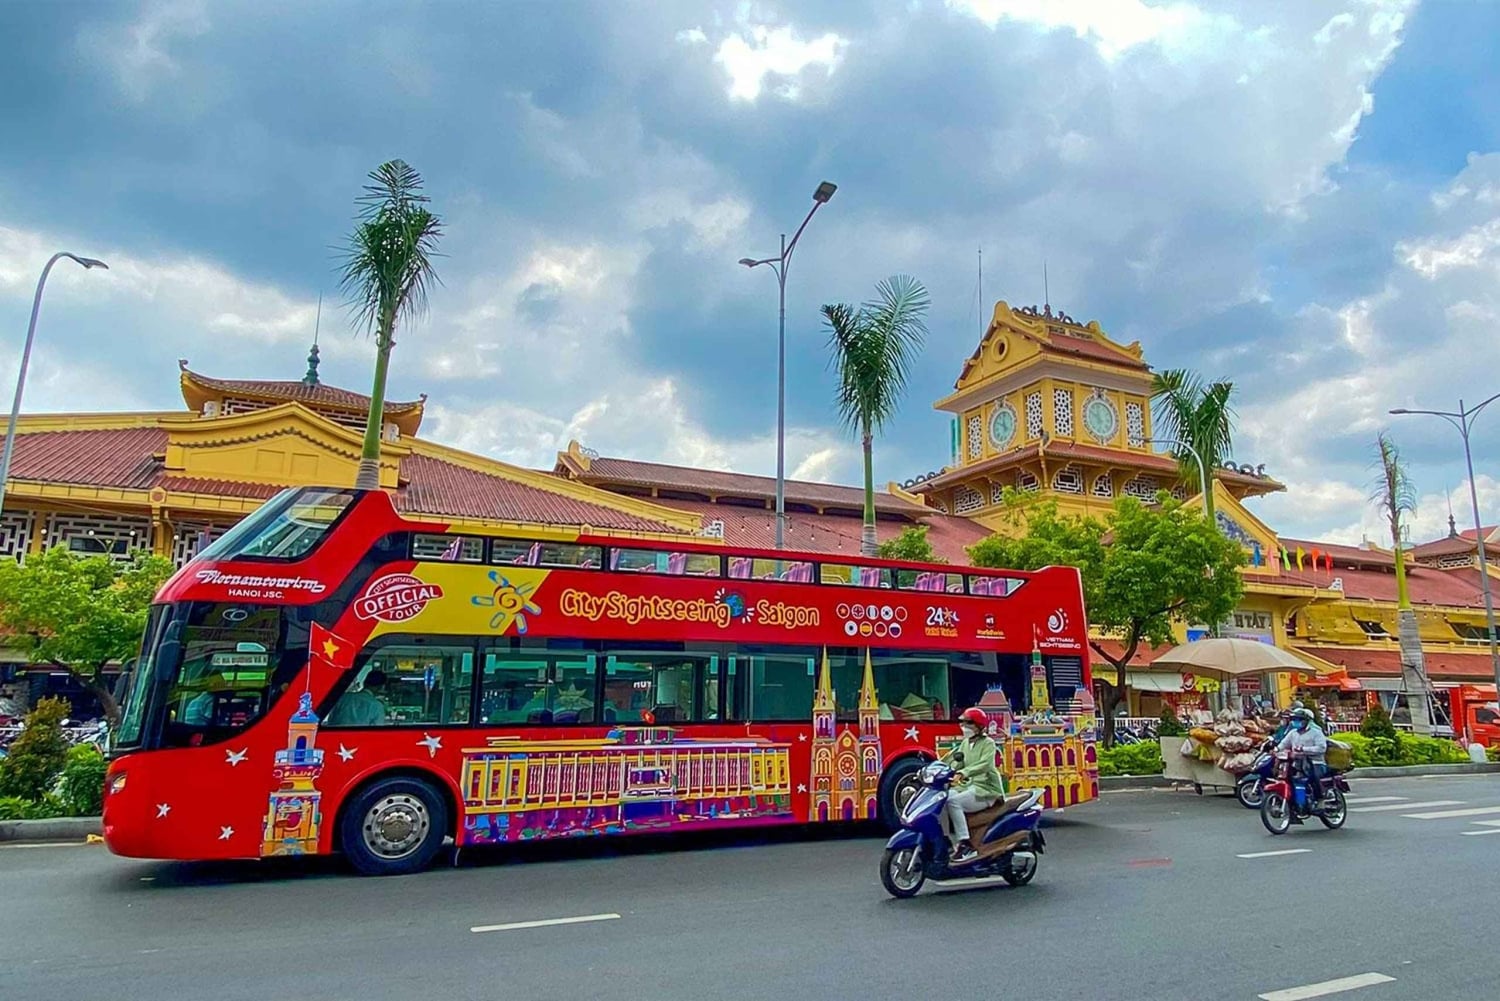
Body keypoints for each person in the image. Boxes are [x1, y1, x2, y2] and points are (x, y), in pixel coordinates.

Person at [939, 707, 1006, 864]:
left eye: (969, 723)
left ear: (979, 727)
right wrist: (935, 769)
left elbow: (985, 765)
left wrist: (964, 773)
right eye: (963, 723)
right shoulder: (965, 744)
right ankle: (945, 840)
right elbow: (955, 759)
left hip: (986, 790)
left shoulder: (988, 743)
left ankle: (966, 845)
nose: (964, 727)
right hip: (969, 787)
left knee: (953, 802)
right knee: (941, 799)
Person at [1276, 706, 1328, 802]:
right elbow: (1283, 743)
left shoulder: (1316, 732)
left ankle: (1321, 799)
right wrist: (1276, 749)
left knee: (1313, 777)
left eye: (1299, 720)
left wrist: (1304, 749)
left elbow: (1322, 748)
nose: (1296, 722)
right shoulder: (1293, 733)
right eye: (1294, 719)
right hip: (1297, 762)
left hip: (1315, 763)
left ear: (1306, 721)